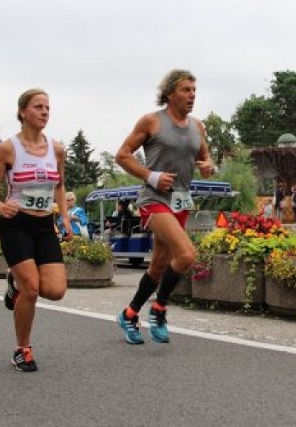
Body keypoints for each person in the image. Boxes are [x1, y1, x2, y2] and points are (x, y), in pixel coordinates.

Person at [114, 69, 214, 344]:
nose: (192, 95)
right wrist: (151, 176)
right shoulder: (151, 122)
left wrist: (208, 166)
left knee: (158, 266)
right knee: (186, 255)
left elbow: (205, 158)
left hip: (180, 200)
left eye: (194, 90)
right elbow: (122, 155)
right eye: (185, 90)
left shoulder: (198, 126)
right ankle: (159, 310)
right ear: (169, 93)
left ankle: (130, 313)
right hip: (154, 200)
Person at [0, 88, 70, 371]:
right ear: (23, 112)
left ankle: (14, 282)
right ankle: (23, 349)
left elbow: (59, 185)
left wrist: (64, 218)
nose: (45, 112)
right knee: (31, 290)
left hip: (45, 225)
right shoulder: (8, 149)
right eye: (38, 107)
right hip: (16, 223)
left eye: (47, 107)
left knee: (55, 291)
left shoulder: (56, 149)